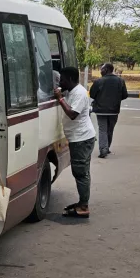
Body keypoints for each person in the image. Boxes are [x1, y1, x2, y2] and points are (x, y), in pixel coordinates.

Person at [55, 66, 96, 218]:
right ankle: (82, 202)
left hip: (81, 139)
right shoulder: (73, 91)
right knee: (82, 172)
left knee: (80, 172)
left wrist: (60, 98)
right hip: (79, 138)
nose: (61, 83)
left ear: (71, 79)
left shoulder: (79, 93)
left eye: (63, 80)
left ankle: (84, 206)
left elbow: (72, 114)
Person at [89, 62, 128, 158]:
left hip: (101, 110)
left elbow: (92, 94)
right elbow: (124, 95)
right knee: (110, 130)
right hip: (114, 110)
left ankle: (103, 149)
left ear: (106, 70)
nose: (100, 71)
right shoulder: (120, 81)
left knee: (102, 130)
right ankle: (107, 147)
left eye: (101, 69)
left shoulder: (99, 81)